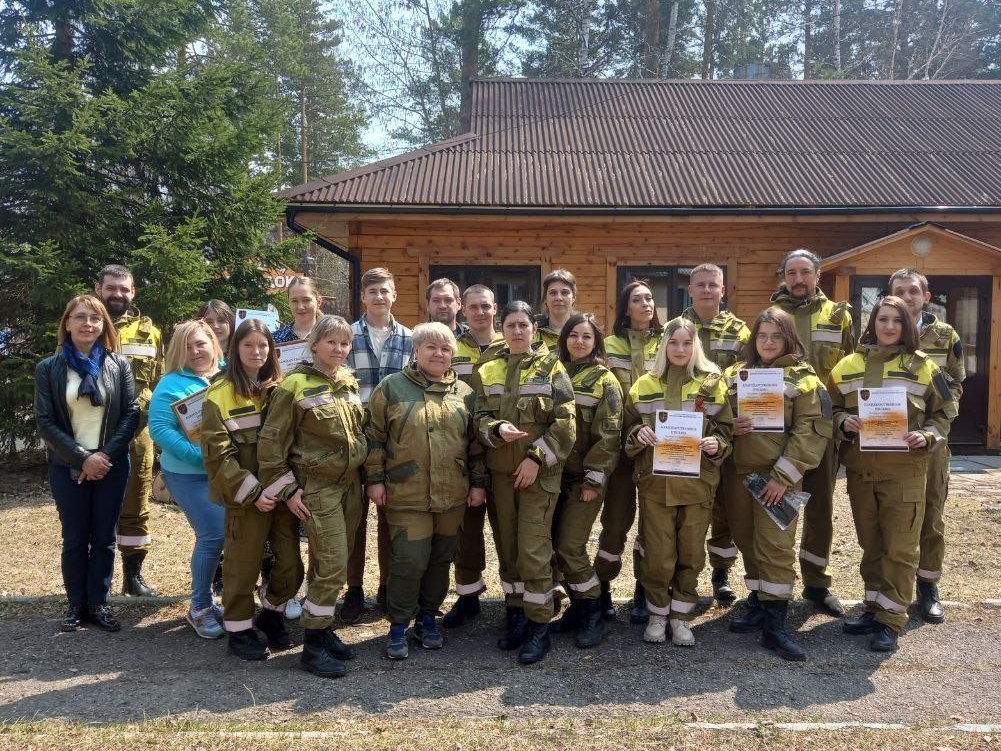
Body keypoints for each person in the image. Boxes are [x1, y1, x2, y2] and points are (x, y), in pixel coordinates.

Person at [831, 296, 956, 652]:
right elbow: (831, 409)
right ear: (872, 324)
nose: (888, 327)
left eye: (896, 321)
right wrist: (844, 421)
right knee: (871, 545)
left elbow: (944, 411)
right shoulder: (846, 366)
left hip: (905, 472)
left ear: (906, 326)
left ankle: (891, 619)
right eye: (882, 319)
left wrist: (928, 434)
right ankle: (873, 608)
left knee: (900, 549)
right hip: (861, 471)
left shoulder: (925, 367)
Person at [365, 322, 488, 659]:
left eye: (445, 348)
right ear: (415, 351)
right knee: (408, 562)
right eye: (430, 347)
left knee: (440, 560)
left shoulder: (464, 394)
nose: (439, 353)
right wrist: (374, 479)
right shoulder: (392, 388)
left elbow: (475, 445)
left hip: (452, 496)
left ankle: (427, 619)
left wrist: (477, 484)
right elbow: (374, 437)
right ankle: (398, 624)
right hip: (407, 494)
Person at [258, 315, 368, 678]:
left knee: (332, 560)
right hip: (317, 486)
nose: (338, 349)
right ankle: (312, 646)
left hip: (350, 485)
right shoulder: (293, 385)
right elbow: (272, 445)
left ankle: (324, 628)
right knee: (334, 561)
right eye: (331, 342)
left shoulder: (348, 382)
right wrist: (288, 490)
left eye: (344, 343)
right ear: (314, 344)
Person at [722, 309, 831, 661]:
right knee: (747, 541)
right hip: (739, 475)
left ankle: (775, 625)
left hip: (777, 479)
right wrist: (730, 425)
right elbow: (714, 415)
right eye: (762, 336)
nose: (768, 343)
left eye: (776, 336)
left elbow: (811, 430)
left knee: (776, 547)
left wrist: (783, 477)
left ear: (789, 338)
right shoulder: (736, 374)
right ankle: (757, 602)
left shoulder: (805, 379)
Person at [472, 301, 576, 665]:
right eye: (511, 325)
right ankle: (515, 613)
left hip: (538, 476)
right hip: (502, 475)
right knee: (508, 550)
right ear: (502, 328)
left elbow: (565, 422)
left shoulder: (552, 368)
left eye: (523, 325)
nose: (517, 331)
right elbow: (478, 415)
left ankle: (539, 625)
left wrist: (534, 458)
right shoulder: (488, 369)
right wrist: (495, 429)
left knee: (533, 551)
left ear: (534, 329)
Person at [624, 318, 732, 647]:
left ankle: (681, 616)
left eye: (687, 343)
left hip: (697, 485)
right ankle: (658, 613)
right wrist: (638, 434)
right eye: (674, 343)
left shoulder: (713, 383)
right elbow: (626, 432)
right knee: (657, 554)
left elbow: (724, 431)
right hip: (656, 485)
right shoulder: (644, 384)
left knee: (690, 553)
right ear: (664, 346)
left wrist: (717, 445)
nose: (680, 349)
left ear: (695, 345)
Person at [35, 294, 139, 632]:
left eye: (95, 319)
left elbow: (131, 413)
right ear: (67, 323)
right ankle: (76, 605)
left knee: (105, 537)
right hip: (68, 466)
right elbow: (45, 421)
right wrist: (82, 458)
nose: (88, 324)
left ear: (103, 325)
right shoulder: (49, 369)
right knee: (76, 537)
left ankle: (100, 603)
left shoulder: (118, 365)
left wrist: (103, 456)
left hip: (111, 464)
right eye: (80, 317)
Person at [201, 319, 303, 661]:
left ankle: (271, 616)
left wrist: (285, 489)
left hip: (282, 495)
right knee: (241, 569)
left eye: (263, 346)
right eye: (249, 346)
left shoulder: (282, 389)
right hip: (246, 501)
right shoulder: (219, 395)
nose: (256, 352)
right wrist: (254, 493)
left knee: (290, 565)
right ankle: (239, 630)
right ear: (236, 349)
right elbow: (219, 458)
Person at [769, 249, 854, 616]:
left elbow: (853, 368)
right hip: (781, 431)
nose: (798, 279)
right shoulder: (773, 318)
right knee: (780, 507)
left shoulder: (839, 317)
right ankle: (772, 588)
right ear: (783, 276)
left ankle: (817, 584)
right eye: (792, 273)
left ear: (818, 275)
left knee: (820, 509)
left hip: (826, 428)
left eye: (805, 272)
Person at [670, 263, 751, 606]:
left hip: (726, 429)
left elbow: (752, 376)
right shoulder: (675, 328)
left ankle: (721, 572)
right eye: (700, 285)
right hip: (682, 434)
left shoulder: (741, 332)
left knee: (725, 506)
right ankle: (676, 574)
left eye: (712, 285)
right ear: (689, 290)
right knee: (683, 506)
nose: (706, 290)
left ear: (723, 290)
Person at [888, 268, 965, 624]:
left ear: (925, 297)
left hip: (931, 443)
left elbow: (955, 388)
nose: (907, 297)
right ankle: (886, 592)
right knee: (891, 519)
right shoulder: (879, 334)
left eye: (913, 291)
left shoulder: (945, 335)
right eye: (899, 291)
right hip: (888, 444)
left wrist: (936, 428)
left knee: (931, 515)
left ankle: (928, 587)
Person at [343, 268, 413, 623]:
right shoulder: (347, 336)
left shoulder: (410, 338)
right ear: (364, 296)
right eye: (372, 291)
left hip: (394, 441)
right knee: (354, 518)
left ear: (394, 294)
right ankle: (353, 590)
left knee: (391, 517)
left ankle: (387, 588)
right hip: (353, 437)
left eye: (384, 291)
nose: (379, 297)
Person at [547, 313, 622, 649]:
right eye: (573, 335)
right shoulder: (551, 372)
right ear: (564, 338)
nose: (579, 341)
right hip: (550, 476)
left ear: (596, 342)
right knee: (553, 547)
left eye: (586, 336)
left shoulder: (605, 380)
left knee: (570, 546)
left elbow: (609, 434)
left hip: (584, 480)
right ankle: (577, 611)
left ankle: (593, 612)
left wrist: (594, 479)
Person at [149, 320, 225, 639]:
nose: (195, 351)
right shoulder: (171, 384)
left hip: (229, 471)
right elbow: (160, 430)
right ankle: (200, 606)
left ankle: (218, 600)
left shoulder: (228, 374)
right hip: (189, 474)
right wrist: (202, 458)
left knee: (227, 536)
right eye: (187, 347)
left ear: (212, 342)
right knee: (213, 535)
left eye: (200, 343)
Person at [94, 264, 163, 597]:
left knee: (136, 505)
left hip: (138, 435)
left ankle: (133, 576)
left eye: (124, 289)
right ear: (98, 289)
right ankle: (98, 581)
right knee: (96, 508)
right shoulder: (85, 325)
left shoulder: (150, 332)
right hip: (94, 435)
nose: (117, 294)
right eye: (111, 288)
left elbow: (160, 384)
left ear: (133, 292)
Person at [596, 279, 662, 623]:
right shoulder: (607, 345)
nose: (646, 304)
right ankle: (603, 587)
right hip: (621, 452)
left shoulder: (668, 343)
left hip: (657, 451)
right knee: (615, 522)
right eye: (638, 299)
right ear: (626, 307)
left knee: (652, 525)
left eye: (650, 298)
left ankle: (643, 590)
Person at [442, 283, 505, 627]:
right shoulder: (453, 348)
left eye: (486, 306)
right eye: (473, 307)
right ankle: (468, 597)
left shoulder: (510, 345)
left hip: (503, 451)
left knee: (508, 530)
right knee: (465, 530)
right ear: (462, 311)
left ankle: (516, 598)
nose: (480, 312)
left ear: (495, 308)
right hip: (463, 451)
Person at [535, 269, 578, 351]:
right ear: (545, 299)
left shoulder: (585, 332)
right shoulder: (532, 332)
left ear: (573, 298)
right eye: (553, 293)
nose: (558, 298)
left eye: (565, 293)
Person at [274, 276, 324, 343]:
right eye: (294, 301)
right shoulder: (275, 339)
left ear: (318, 302)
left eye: (306, 300)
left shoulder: (332, 335)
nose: (300, 307)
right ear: (289, 302)